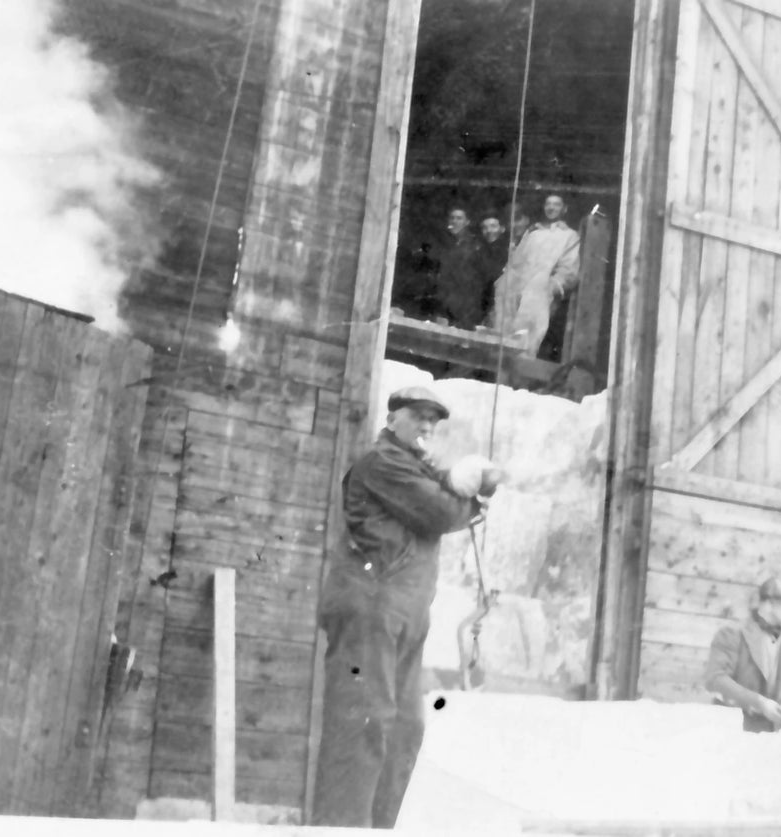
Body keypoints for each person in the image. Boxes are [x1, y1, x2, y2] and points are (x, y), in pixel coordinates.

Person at [311, 386, 504, 828]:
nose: (427, 427)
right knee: (363, 724)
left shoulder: (416, 467)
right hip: (370, 609)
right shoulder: (381, 463)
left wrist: (463, 483)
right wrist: (472, 495)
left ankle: (379, 828)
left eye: (433, 422)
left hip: (405, 615)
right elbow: (437, 512)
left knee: (404, 729)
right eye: (418, 417)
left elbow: (441, 492)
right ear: (393, 418)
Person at [703, 576, 781, 733]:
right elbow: (715, 679)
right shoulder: (732, 635)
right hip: (731, 732)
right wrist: (759, 703)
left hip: (772, 736)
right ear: (769, 605)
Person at [491, 193, 580, 356]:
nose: (551, 208)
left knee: (534, 293)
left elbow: (569, 269)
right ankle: (501, 349)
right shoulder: (533, 233)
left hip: (544, 289)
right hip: (521, 284)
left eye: (556, 205)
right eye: (548, 204)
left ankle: (524, 353)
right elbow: (516, 264)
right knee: (504, 285)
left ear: (564, 209)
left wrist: (553, 284)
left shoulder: (569, 235)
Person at [435, 207, 487, 330]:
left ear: (467, 222)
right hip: (444, 297)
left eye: (459, 218)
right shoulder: (443, 242)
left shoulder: (475, 245)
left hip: (465, 300)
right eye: (452, 218)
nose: (455, 221)